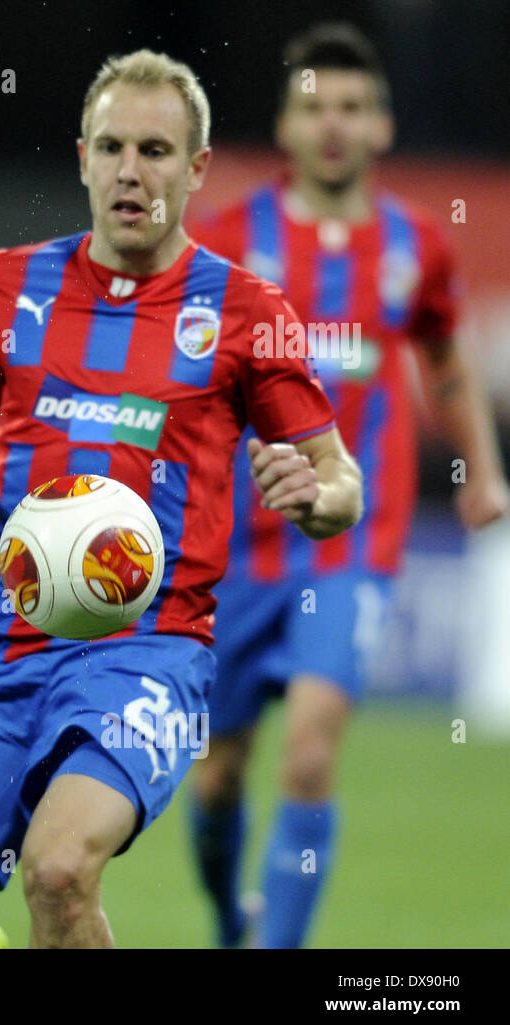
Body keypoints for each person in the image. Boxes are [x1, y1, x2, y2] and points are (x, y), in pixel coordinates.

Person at [0, 48, 364, 950]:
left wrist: (316, 497)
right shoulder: (5, 287)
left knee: (58, 868)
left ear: (196, 168)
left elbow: (338, 478)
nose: (132, 170)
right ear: (81, 154)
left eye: (156, 151)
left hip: (149, 657)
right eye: (113, 146)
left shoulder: (247, 311)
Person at [187, 23, 509, 948]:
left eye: (354, 108)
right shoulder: (225, 240)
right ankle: (227, 920)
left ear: (383, 125)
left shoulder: (417, 249)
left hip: (351, 545)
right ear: (285, 125)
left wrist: (481, 469)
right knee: (216, 776)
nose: (335, 125)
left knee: (314, 752)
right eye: (316, 106)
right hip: (234, 550)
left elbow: (445, 357)